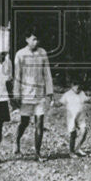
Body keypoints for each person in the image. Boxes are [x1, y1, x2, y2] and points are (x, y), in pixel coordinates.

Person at [13, 31, 54, 161]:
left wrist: (50, 92)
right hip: (26, 93)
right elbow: (17, 75)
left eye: (37, 39)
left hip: (40, 93)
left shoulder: (42, 53)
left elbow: (47, 73)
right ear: (27, 39)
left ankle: (37, 152)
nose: (36, 42)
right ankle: (16, 141)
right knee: (24, 122)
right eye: (33, 39)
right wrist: (16, 94)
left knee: (39, 123)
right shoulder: (20, 54)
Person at [59, 77, 89, 158]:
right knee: (73, 134)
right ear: (72, 85)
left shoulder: (82, 93)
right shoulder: (67, 94)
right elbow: (60, 102)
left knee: (84, 130)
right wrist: (53, 103)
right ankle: (71, 151)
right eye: (75, 85)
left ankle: (78, 147)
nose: (77, 87)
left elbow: (87, 100)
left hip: (80, 116)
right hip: (71, 117)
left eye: (79, 85)